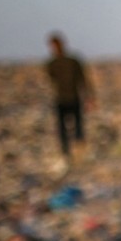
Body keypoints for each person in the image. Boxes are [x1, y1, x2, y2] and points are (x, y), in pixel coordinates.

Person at [45, 32, 93, 161]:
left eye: (57, 45)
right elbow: (52, 79)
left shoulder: (73, 62)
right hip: (61, 99)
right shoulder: (52, 64)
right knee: (62, 128)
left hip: (74, 98)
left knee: (78, 126)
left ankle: (80, 153)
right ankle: (66, 154)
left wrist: (90, 97)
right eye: (54, 46)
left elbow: (83, 80)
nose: (56, 48)